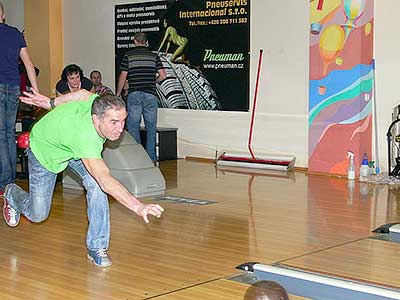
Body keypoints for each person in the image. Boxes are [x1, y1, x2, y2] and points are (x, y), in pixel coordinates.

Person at [2, 88, 164, 268]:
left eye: (123, 121)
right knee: (37, 214)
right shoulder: (86, 138)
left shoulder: (97, 103)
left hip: (69, 145)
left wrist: (51, 103)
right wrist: (139, 206)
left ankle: (97, 246)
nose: (120, 128)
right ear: (96, 119)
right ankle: (12, 194)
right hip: (43, 149)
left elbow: (83, 94)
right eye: (114, 122)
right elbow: (106, 180)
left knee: (95, 187)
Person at [0, 1, 38, 195]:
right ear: (3, 14)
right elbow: (29, 65)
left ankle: (5, 183)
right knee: (7, 135)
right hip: (13, 87)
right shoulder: (15, 33)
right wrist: (36, 92)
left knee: (1, 136)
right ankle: (10, 180)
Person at [116, 32, 166, 162]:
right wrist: (153, 81)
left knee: (133, 126)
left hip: (134, 94)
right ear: (146, 42)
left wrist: (118, 93)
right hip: (150, 94)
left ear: (135, 41)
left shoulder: (129, 56)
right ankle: (151, 157)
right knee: (151, 126)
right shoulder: (154, 56)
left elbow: (123, 75)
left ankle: (138, 157)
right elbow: (163, 75)